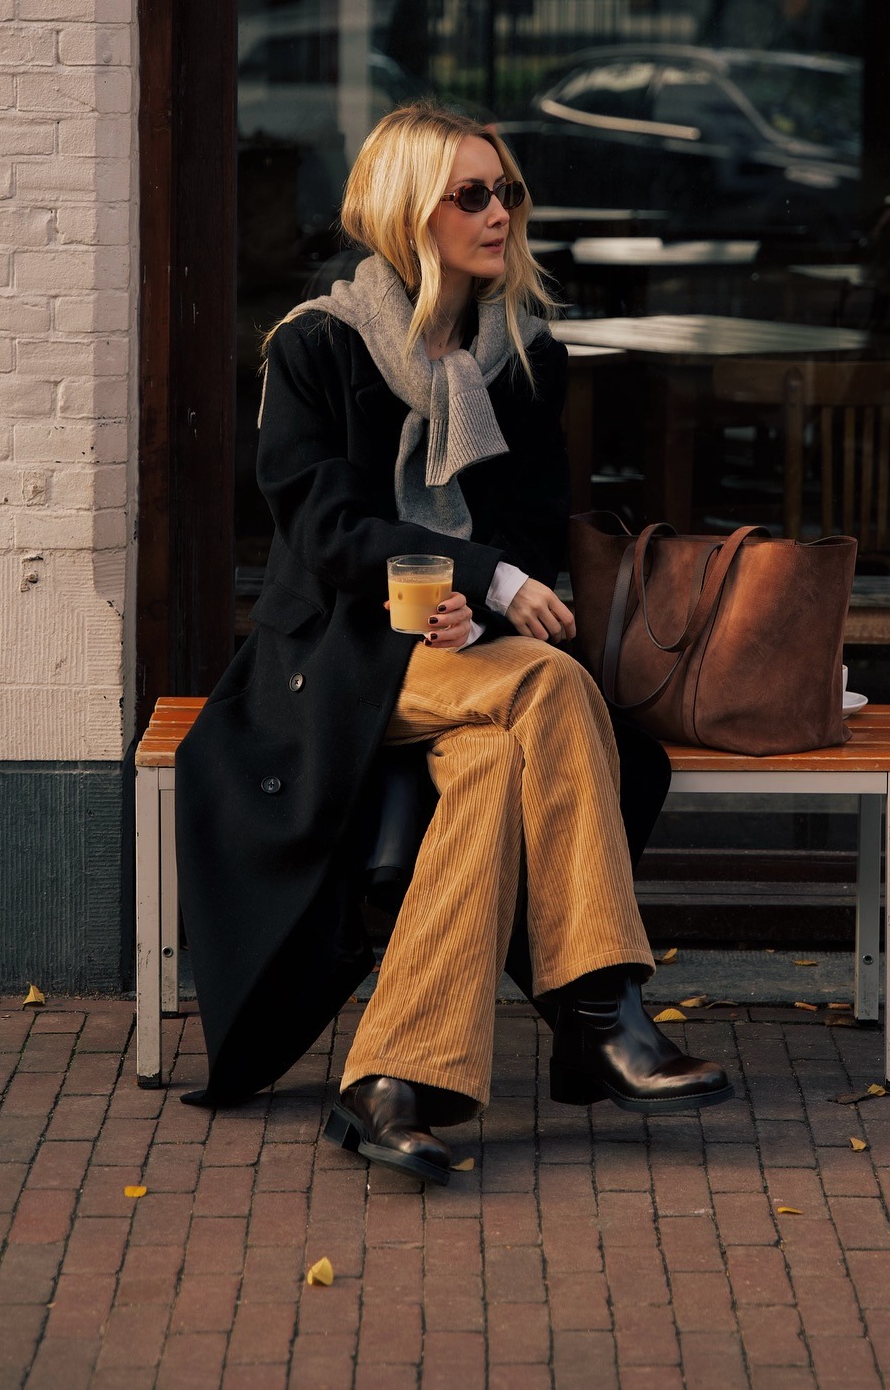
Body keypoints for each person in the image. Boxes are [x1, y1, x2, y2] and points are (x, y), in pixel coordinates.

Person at [175, 101, 732, 1184]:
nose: (498, 212)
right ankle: (601, 1008)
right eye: (470, 193)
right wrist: (486, 578)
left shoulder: (523, 355)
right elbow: (325, 529)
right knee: (555, 689)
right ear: (405, 210)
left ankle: (389, 1085)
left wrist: (474, 603)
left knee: (491, 764)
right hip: (335, 658)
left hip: (466, 658)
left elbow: (528, 518)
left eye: (507, 191)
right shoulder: (315, 346)